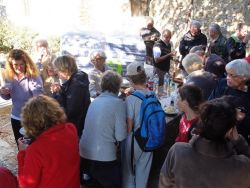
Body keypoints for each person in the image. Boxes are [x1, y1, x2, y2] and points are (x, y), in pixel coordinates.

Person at [159, 97, 250, 188]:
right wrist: (238, 140)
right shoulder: (242, 166)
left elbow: (164, 184)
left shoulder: (178, 151)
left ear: (201, 123)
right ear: (230, 131)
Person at [17, 95, 80, 188]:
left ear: (29, 122)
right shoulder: (71, 129)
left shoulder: (35, 150)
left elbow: (26, 185)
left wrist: (22, 153)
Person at [79, 70, 127, 188]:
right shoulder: (118, 103)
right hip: (103, 158)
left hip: (85, 154)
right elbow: (121, 136)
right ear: (118, 87)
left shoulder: (95, 101)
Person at [0, 49, 43, 144]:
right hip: (15, 116)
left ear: (26, 63)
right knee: (20, 145)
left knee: (33, 147)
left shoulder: (33, 76)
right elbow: (7, 98)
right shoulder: (9, 76)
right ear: (11, 65)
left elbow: (38, 99)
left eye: (21, 64)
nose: (19, 67)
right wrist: (3, 92)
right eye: (15, 65)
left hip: (31, 118)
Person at [122, 61, 153, 188]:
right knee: (143, 173)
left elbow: (129, 127)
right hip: (150, 139)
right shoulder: (152, 94)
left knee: (129, 174)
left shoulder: (131, 99)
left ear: (130, 79)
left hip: (135, 140)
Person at [209, 59, 250, 144]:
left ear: (244, 77)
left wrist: (244, 118)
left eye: (232, 75)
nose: (227, 77)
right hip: (218, 133)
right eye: (227, 74)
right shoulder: (222, 84)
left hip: (240, 138)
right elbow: (210, 103)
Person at [51, 55, 90, 138]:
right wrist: (60, 90)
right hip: (76, 127)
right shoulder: (75, 81)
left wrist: (57, 93)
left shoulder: (77, 85)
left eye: (57, 70)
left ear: (65, 70)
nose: (56, 73)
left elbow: (69, 112)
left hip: (75, 129)